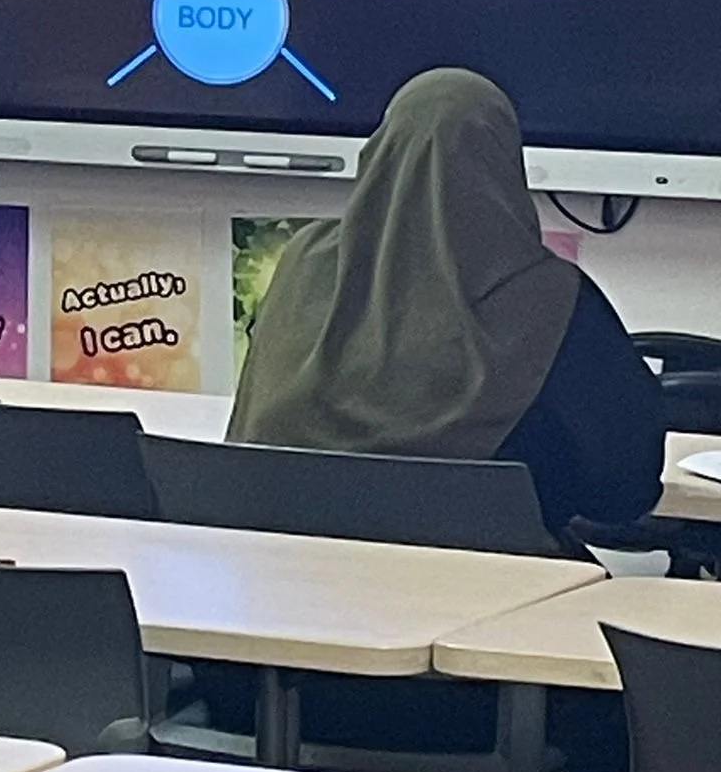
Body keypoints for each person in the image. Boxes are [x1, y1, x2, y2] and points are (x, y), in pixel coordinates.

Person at [229, 66, 665, 541]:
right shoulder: (552, 300)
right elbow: (624, 491)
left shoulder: (302, 264)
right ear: (503, 167)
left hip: (288, 587)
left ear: (380, 151)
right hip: (500, 595)